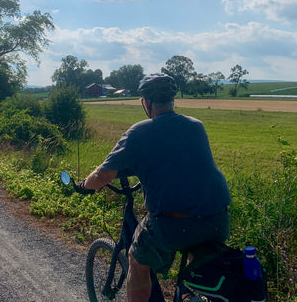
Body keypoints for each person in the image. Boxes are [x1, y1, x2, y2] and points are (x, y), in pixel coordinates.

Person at [77, 73, 231, 302]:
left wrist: (84, 187)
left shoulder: (140, 131)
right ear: (172, 100)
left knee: (136, 260)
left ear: (145, 103)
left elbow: (103, 175)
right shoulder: (196, 126)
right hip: (217, 220)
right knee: (198, 261)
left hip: (172, 225)